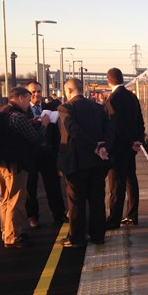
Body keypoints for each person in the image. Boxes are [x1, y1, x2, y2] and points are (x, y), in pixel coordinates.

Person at [57, 78, 112, 248]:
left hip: (76, 163)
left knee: (76, 202)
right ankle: (98, 236)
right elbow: (109, 130)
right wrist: (103, 148)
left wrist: (93, 147)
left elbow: (73, 131)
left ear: (69, 90)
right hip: (97, 163)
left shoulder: (66, 108)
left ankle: (76, 238)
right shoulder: (98, 108)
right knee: (97, 199)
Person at [0, 86, 50, 248]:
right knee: (16, 199)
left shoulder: (3, 111)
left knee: (4, 198)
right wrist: (44, 124)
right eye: (28, 97)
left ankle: (7, 231)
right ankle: (13, 237)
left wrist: (31, 122)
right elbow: (36, 138)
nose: (30, 100)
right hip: (15, 165)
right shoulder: (18, 117)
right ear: (20, 97)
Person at [104, 67, 145, 230]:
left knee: (116, 185)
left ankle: (114, 219)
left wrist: (129, 142)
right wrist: (138, 141)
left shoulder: (112, 99)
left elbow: (116, 127)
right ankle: (132, 215)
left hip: (118, 149)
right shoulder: (132, 97)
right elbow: (139, 121)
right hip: (131, 149)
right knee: (131, 181)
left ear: (109, 81)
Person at [24, 80, 67, 228]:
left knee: (53, 185)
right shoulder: (24, 112)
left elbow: (57, 133)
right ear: (27, 94)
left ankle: (59, 214)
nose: (36, 94)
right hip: (31, 155)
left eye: (38, 91)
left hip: (48, 152)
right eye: (33, 92)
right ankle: (33, 216)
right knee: (30, 187)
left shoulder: (50, 108)